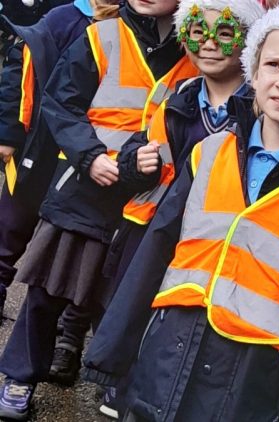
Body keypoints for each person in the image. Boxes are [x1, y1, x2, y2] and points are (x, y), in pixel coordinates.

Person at [114, 0, 279, 419]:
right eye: (273, 64)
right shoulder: (209, 152)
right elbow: (156, 248)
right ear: (253, 71)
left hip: (250, 376)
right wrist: (115, 348)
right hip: (167, 349)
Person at [0, 0, 198, 416]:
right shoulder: (101, 36)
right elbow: (60, 102)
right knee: (47, 291)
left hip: (147, 202)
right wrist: (89, 156)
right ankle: (19, 377)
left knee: (123, 299)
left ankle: (114, 382)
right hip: (85, 189)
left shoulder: (196, 52)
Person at [79, 0, 264, 416]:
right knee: (132, 300)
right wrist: (134, 163)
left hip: (208, 238)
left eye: (226, 32)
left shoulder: (258, 107)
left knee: (177, 316)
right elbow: (139, 148)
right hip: (152, 228)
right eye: (199, 32)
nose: (211, 44)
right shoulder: (177, 95)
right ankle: (122, 380)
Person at [0, 0, 117, 366]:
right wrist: (8, 132)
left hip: (90, 168)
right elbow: (20, 71)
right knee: (8, 231)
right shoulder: (64, 18)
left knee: (78, 263)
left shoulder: (137, 30)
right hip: (40, 150)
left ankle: (69, 337)